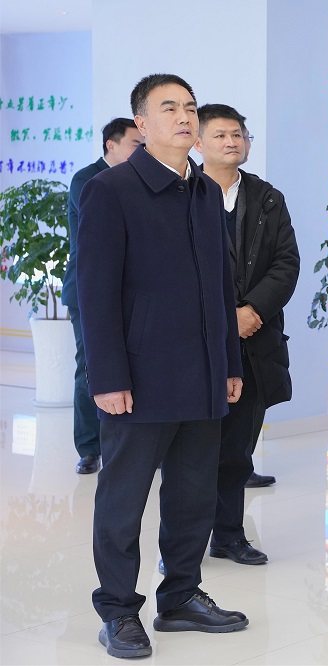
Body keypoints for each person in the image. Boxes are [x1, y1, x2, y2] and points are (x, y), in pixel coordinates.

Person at [78, 73, 247, 659]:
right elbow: (95, 294)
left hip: (203, 374)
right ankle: (118, 610)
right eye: (168, 107)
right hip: (139, 378)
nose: (183, 116)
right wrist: (107, 378)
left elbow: (221, 287)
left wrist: (229, 362)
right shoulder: (111, 191)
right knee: (123, 500)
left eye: (190, 107)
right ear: (142, 124)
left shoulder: (204, 192)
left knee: (193, 494)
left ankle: (180, 596)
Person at [194, 104, 300, 567]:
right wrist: (224, 318)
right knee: (191, 452)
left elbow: (286, 263)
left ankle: (229, 536)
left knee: (237, 448)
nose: (232, 141)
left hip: (253, 342)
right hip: (196, 344)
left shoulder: (267, 197)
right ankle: (183, 545)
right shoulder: (181, 193)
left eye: (238, 134)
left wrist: (252, 310)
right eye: (220, 135)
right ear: (198, 142)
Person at [64, 117, 142, 476]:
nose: (141, 151)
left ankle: (132, 443)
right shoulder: (88, 179)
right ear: (111, 145)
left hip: (130, 289)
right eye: (135, 144)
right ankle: (89, 448)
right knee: (90, 366)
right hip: (87, 291)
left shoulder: (136, 180)